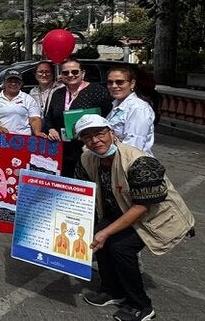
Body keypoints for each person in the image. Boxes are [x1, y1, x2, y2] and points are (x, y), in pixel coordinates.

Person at [74, 114, 194, 321]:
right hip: (120, 211)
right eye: (87, 137)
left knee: (120, 247)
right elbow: (80, 190)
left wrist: (106, 232)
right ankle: (112, 291)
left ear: (111, 133)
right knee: (97, 237)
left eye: (99, 133)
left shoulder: (139, 161)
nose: (95, 140)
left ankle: (141, 306)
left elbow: (142, 207)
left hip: (154, 217)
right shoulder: (87, 158)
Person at [43, 59, 113, 177]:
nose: (70, 75)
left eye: (75, 72)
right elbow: (49, 117)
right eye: (66, 73)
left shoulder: (97, 91)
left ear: (83, 73)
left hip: (89, 148)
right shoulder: (57, 93)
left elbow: (108, 117)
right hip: (63, 150)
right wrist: (51, 129)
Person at [106, 67, 156, 156]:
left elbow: (134, 144)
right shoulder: (116, 105)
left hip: (129, 161)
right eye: (110, 82)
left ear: (132, 84)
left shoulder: (138, 108)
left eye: (119, 82)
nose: (114, 86)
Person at [0, 68, 42, 135]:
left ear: (21, 83)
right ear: (4, 82)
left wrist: (37, 132)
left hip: (23, 139)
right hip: (0, 138)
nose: (13, 84)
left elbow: (34, 119)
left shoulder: (28, 99)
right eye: (10, 81)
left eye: (16, 81)